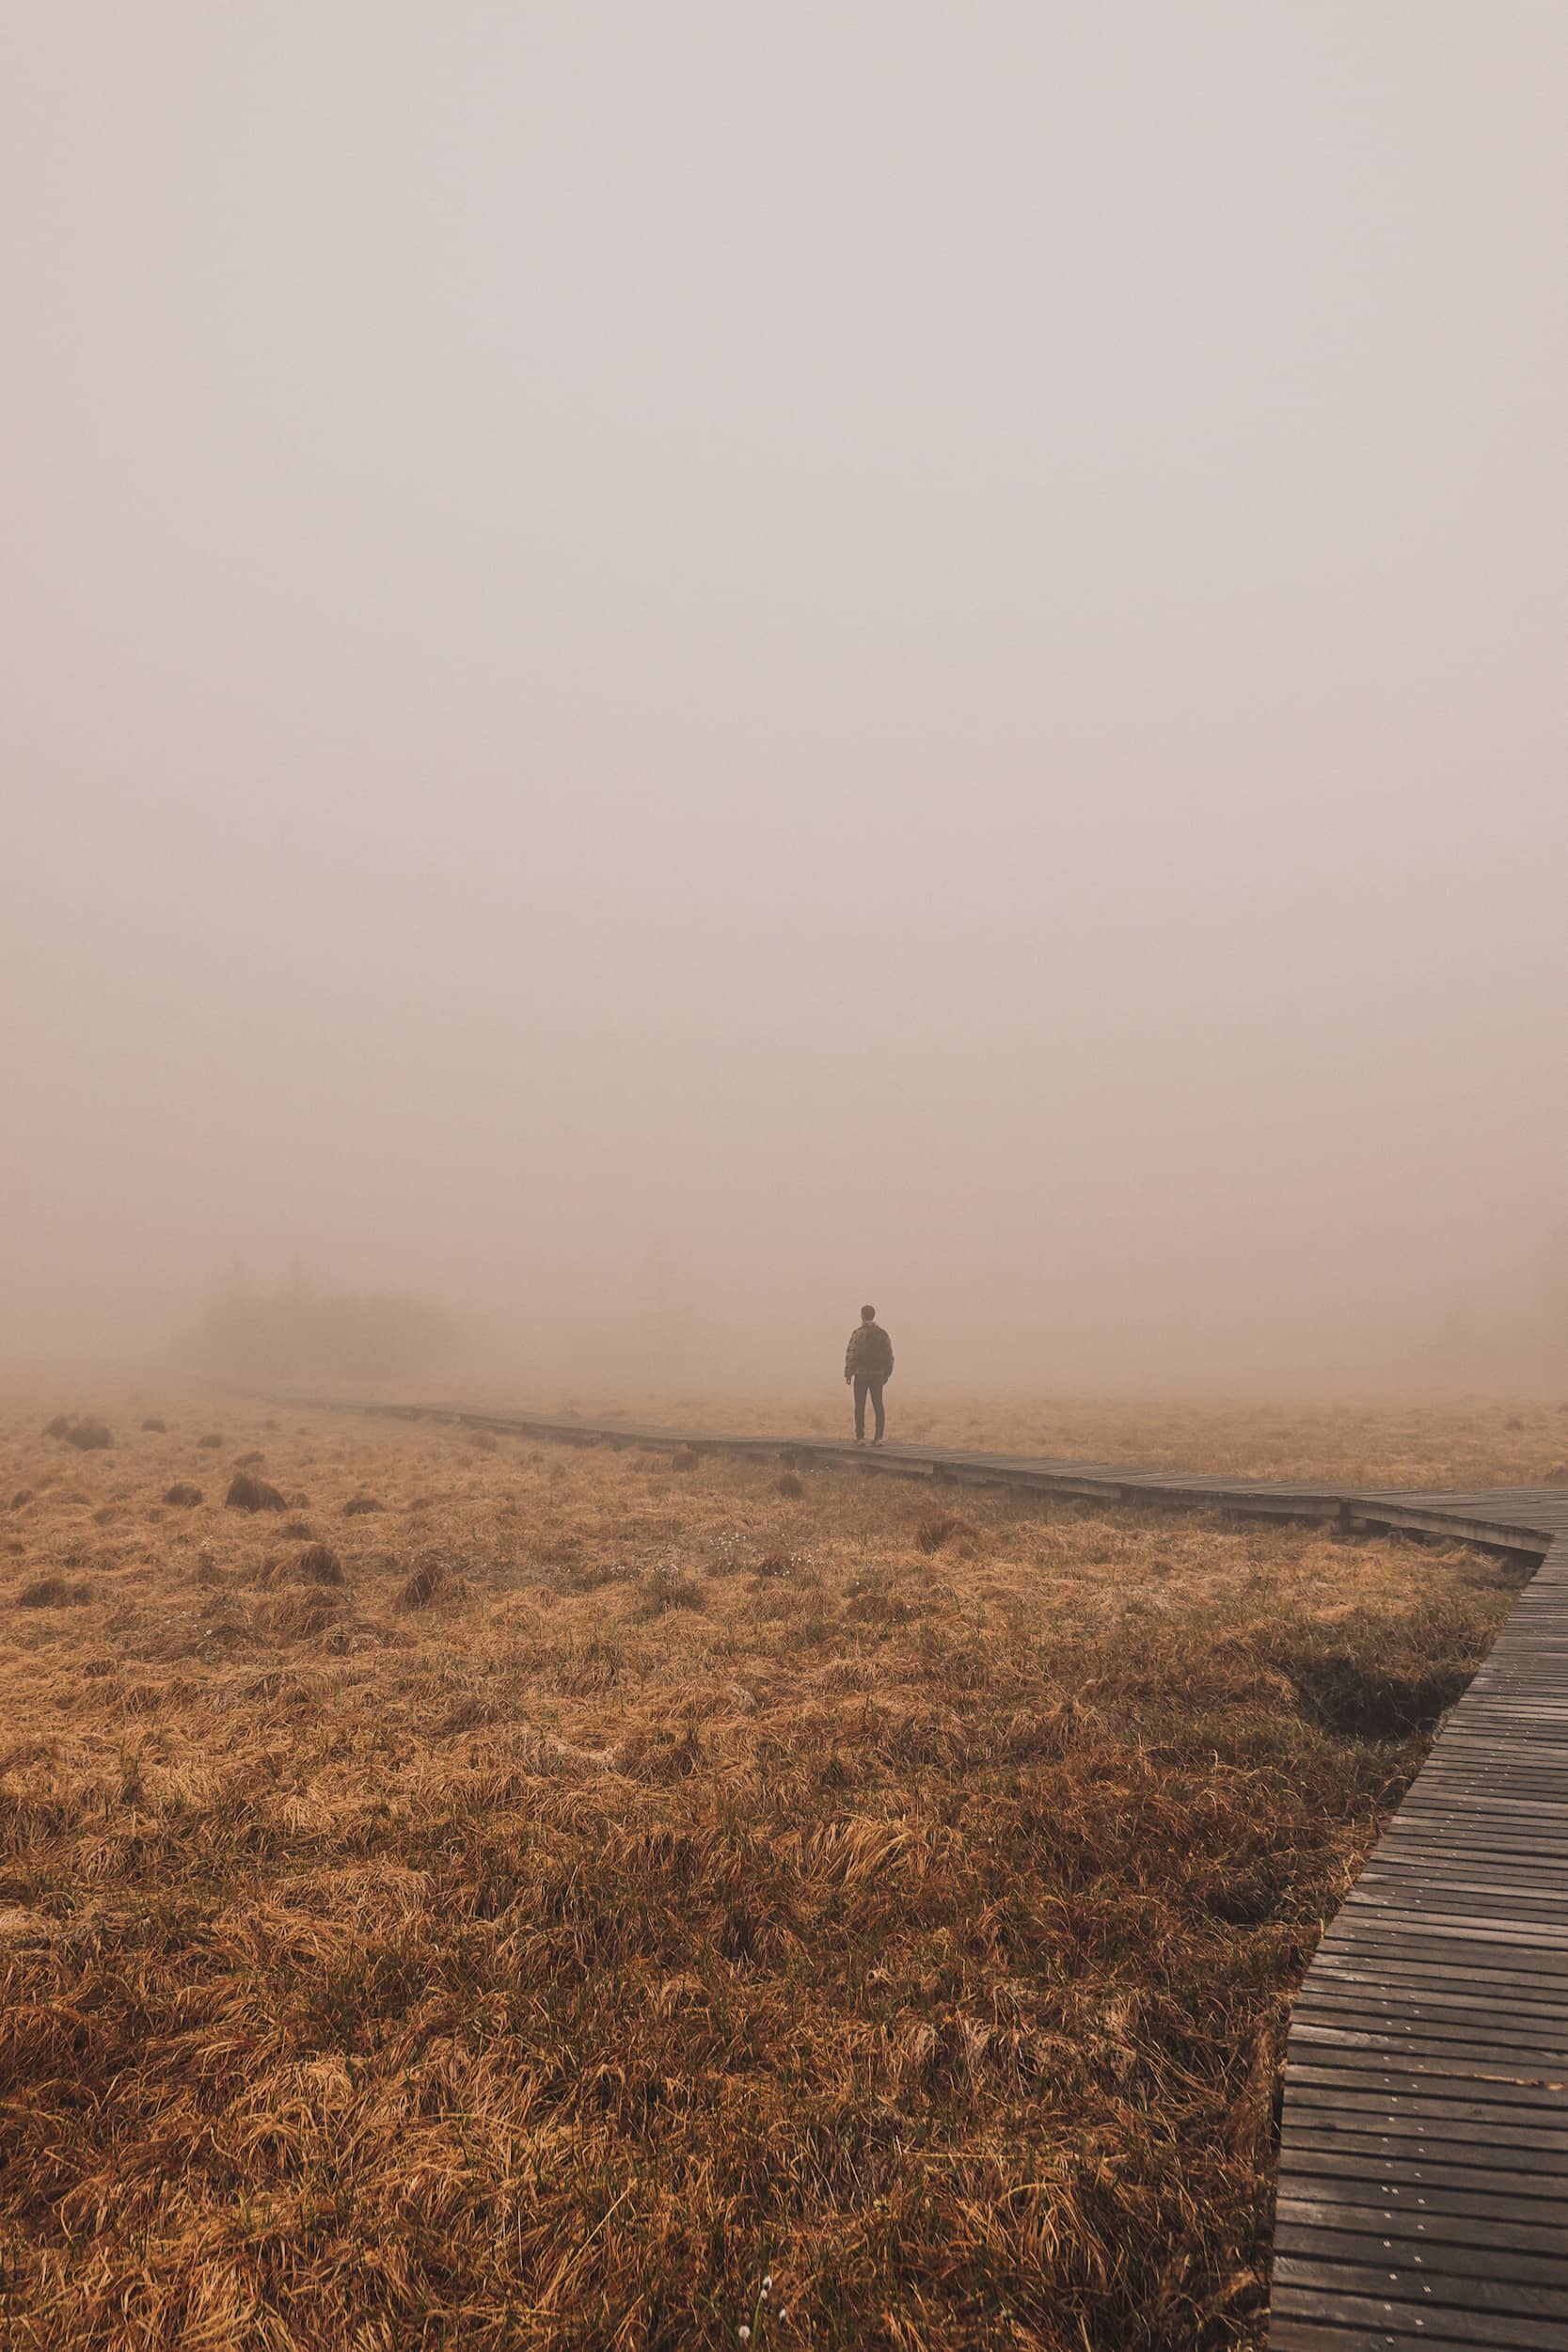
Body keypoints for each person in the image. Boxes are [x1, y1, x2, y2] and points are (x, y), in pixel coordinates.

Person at [844, 1304, 894, 1443]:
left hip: (861, 1374)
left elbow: (851, 1354)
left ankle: (860, 1437)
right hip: (878, 1374)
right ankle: (879, 1437)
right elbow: (890, 1355)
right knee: (878, 1404)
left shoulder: (858, 1333)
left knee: (860, 1405)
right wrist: (886, 1373)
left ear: (862, 1316)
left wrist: (848, 1373)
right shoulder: (883, 1334)